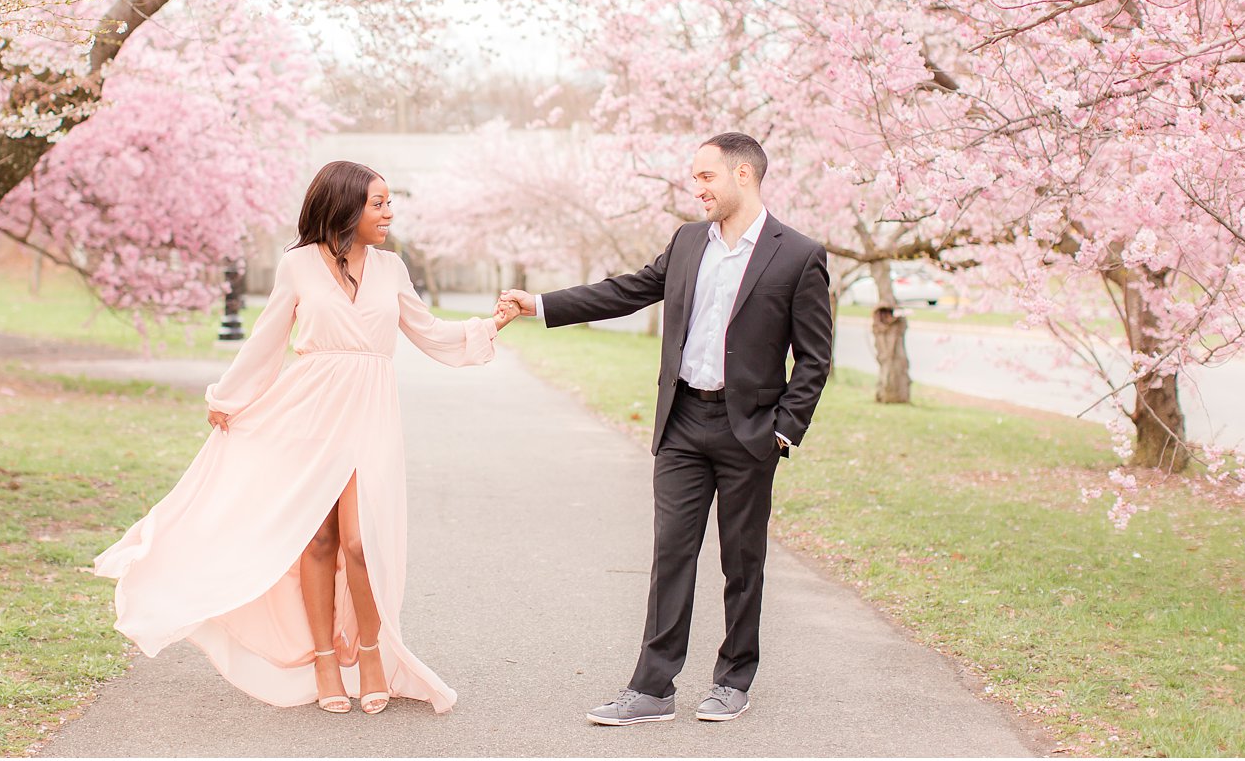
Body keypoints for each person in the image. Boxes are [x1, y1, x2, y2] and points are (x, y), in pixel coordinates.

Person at [95, 161, 519, 716]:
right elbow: (267, 339)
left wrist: (491, 325)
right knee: (317, 542)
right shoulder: (297, 265)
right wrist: (229, 397)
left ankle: (370, 653)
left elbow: (431, 334)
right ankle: (324, 659)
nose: (389, 213)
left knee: (361, 544)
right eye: (378, 203)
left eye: (389, 202)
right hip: (308, 412)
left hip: (370, 413)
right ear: (345, 207)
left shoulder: (391, 269)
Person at [500, 132, 833, 726]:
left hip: (749, 431)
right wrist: (542, 305)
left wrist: (784, 430)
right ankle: (653, 689)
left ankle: (734, 679)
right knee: (671, 554)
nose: (696, 187)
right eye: (694, 177)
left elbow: (814, 358)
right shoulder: (685, 242)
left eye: (706, 176)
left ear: (743, 176)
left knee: (742, 560)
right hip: (682, 422)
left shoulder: (798, 255)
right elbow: (626, 291)